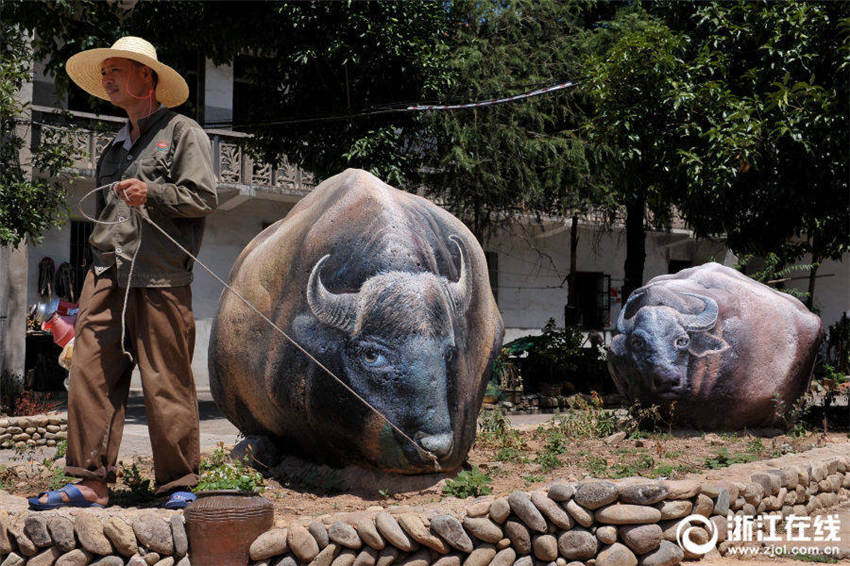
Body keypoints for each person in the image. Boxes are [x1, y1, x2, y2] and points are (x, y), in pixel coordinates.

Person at [30, 36, 217, 510]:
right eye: (106, 71)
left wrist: (152, 193)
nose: (108, 79)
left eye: (117, 70)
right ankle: (90, 482)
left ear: (146, 78)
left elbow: (202, 197)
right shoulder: (113, 147)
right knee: (89, 374)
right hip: (106, 272)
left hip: (159, 276)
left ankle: (177, 484)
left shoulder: (181, 132)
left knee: (165, 379)